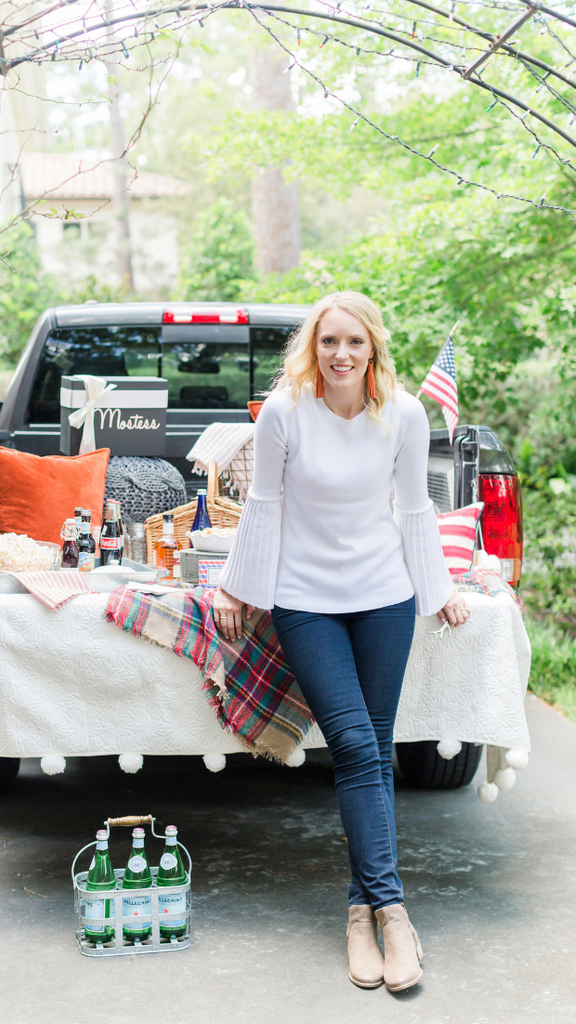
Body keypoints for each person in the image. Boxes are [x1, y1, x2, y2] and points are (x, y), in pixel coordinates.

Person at [214, 291, 469, 993]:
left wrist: (438, 589)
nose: (340, 355)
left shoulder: (404, 414)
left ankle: (359, 909)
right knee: (356, 746)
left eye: (354, 343)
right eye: (328, 342)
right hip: (305, 601)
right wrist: (238, 586)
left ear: (373, 349)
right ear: (312, 346)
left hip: (384, 596)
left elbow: (414, 508)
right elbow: (263, 506)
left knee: (373, 752)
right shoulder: (283, 413)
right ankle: (392, 912)